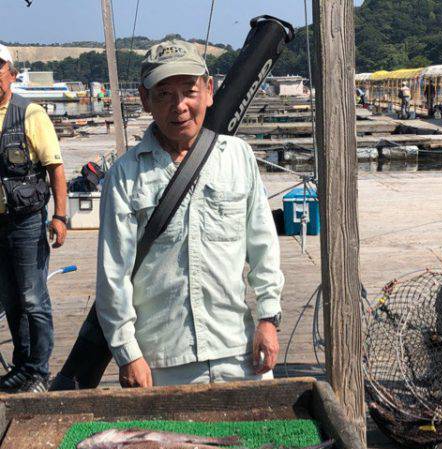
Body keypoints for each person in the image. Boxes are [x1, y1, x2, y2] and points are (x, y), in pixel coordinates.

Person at [96, 39, 284, 388]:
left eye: (189, 91)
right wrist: (128, 353)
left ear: (209, 91)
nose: (179, 106)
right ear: (144, 100)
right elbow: (113, 275)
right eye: (164, 94)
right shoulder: (124, 174)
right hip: (162, 360)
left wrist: (268, 319)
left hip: (239, 351)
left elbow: (263, 247)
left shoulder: (237, 156)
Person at [0, 44, 67, 393]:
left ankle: (40, 370)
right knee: (10, 298)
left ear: (11, 73)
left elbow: (56, 169)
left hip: (26, 222)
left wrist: (60, 216)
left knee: (32, 298)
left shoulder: (30, 114)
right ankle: (22, 365)